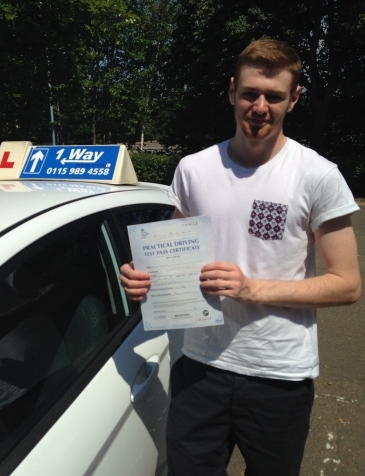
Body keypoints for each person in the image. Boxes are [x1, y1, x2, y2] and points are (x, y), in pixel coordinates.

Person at [119, 39, 362, 476]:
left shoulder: (318, 175)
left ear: (294, 99)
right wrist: (142, 277)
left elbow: (347, 285)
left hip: (279, 375)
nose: (260, 106)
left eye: (274, 97)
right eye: (251, 93)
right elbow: (171, 251)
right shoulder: (193, 169)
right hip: (200, 365)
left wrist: (251, 288)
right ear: (232, 91)